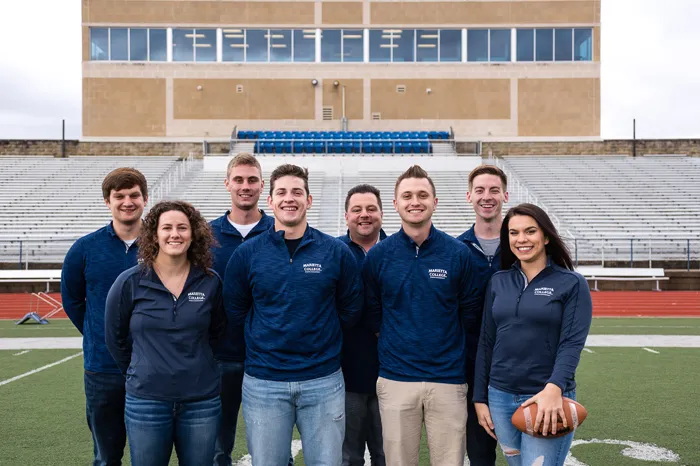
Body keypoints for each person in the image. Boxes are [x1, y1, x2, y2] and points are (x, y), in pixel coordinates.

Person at [224, 164, 363, 466]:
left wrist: (318, 335)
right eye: (282, 192)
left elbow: (350, 309)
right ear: (270, 201)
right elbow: (235, 310)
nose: (290, 199)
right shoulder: (247, 254)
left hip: (323, 380)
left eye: (297, 192)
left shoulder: (335, 252)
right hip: (264, 382)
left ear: (309, 200)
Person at [363, 165, 482, 466]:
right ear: (395, 204)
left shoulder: (458, 254)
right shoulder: (379, 255)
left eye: (422, 195)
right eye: (407, 195)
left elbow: (468, 314)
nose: (415, 201)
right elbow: (373, 312)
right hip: (396, 379)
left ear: (435, 201)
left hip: (448, 380)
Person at [105, 200, 227, 466]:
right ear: (154, 235)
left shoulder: (210, 281)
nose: (175, 234)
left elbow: (218, 334)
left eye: (182, 227)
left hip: (201, 402)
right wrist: (142, 368)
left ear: (194, 234)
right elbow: (115, 338)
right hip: (146, 401)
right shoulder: (130, 282)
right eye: (167, 228)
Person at [473, 203, 592, 466]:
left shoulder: (571, 283)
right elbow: (486, 341)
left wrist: (554, 388)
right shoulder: (498, 281)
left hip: (547, 398)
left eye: (530, 231)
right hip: (500, 397)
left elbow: (572, 344)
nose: (521, 239)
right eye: (514, 233)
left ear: (546, 236)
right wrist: (480, 398)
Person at [61, 167, 148, 466]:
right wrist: (100, 331)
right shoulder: (85, 248)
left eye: (134, 195)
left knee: (149, 454)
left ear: (145, 199)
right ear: (107, 201)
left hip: (153, 367)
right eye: (119, 196)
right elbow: (73, 301)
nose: (127, 202)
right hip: (102, 368)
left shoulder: (164, 244)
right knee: (106, 457)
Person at [209, 153, 275, 466]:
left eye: (252, 180)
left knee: (272, 449)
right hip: (219, 357)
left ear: (263, 186)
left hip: (270, 360)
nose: (245, 186)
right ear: (227, 184)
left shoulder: (283, 231)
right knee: (217, 448)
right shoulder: (205, 236)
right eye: (238, 179)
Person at [456, 165, 509, 466]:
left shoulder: (522, 248)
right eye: (479, 190)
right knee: (479, 455)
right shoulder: (456, 250)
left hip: (517, 368)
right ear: (469, 196)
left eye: (493, 190)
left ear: (505, 195)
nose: (486, 197)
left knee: (528, 453)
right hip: (469, 369)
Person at [338, 184, 387, 466]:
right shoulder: (332, 252)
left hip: (393, 376)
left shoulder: (400, 251)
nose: (364, 215)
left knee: (388, 456)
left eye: (371, 208)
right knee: (349, 457)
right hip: (345, 376)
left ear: (382, 213)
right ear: (347, 215)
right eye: (357, 209)